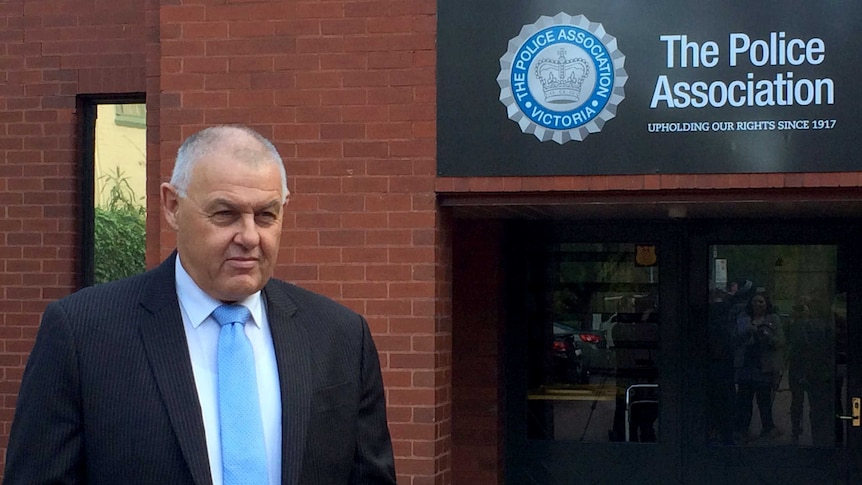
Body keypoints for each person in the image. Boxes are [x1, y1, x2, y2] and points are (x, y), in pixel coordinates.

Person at [4, 125, 397, 484]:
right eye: (225, 214)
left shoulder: (340, 337)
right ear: (172, 206)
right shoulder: (82, 334)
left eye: (266, 216)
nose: (249, 236)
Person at [733, 291, 784, 442]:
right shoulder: (743, 319)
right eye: (755, 301)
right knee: (744, 400)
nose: (758, 304)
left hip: (764, 366)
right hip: (746, 364)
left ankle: (768, 428)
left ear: (766, 304)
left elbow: (780, 341)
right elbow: (734, 339)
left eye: (761, 302)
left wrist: (767, 336)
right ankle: (742, 430)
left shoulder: (773, 319)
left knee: (764, 400)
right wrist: (746, 333)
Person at [785, 295, 835, 445]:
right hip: (811, 367)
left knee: (801, 402)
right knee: (812, 404)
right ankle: (816, 436)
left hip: (804, 366)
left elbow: (794, 344)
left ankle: (798, 432)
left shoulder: (807, 325)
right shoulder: (823, 324)